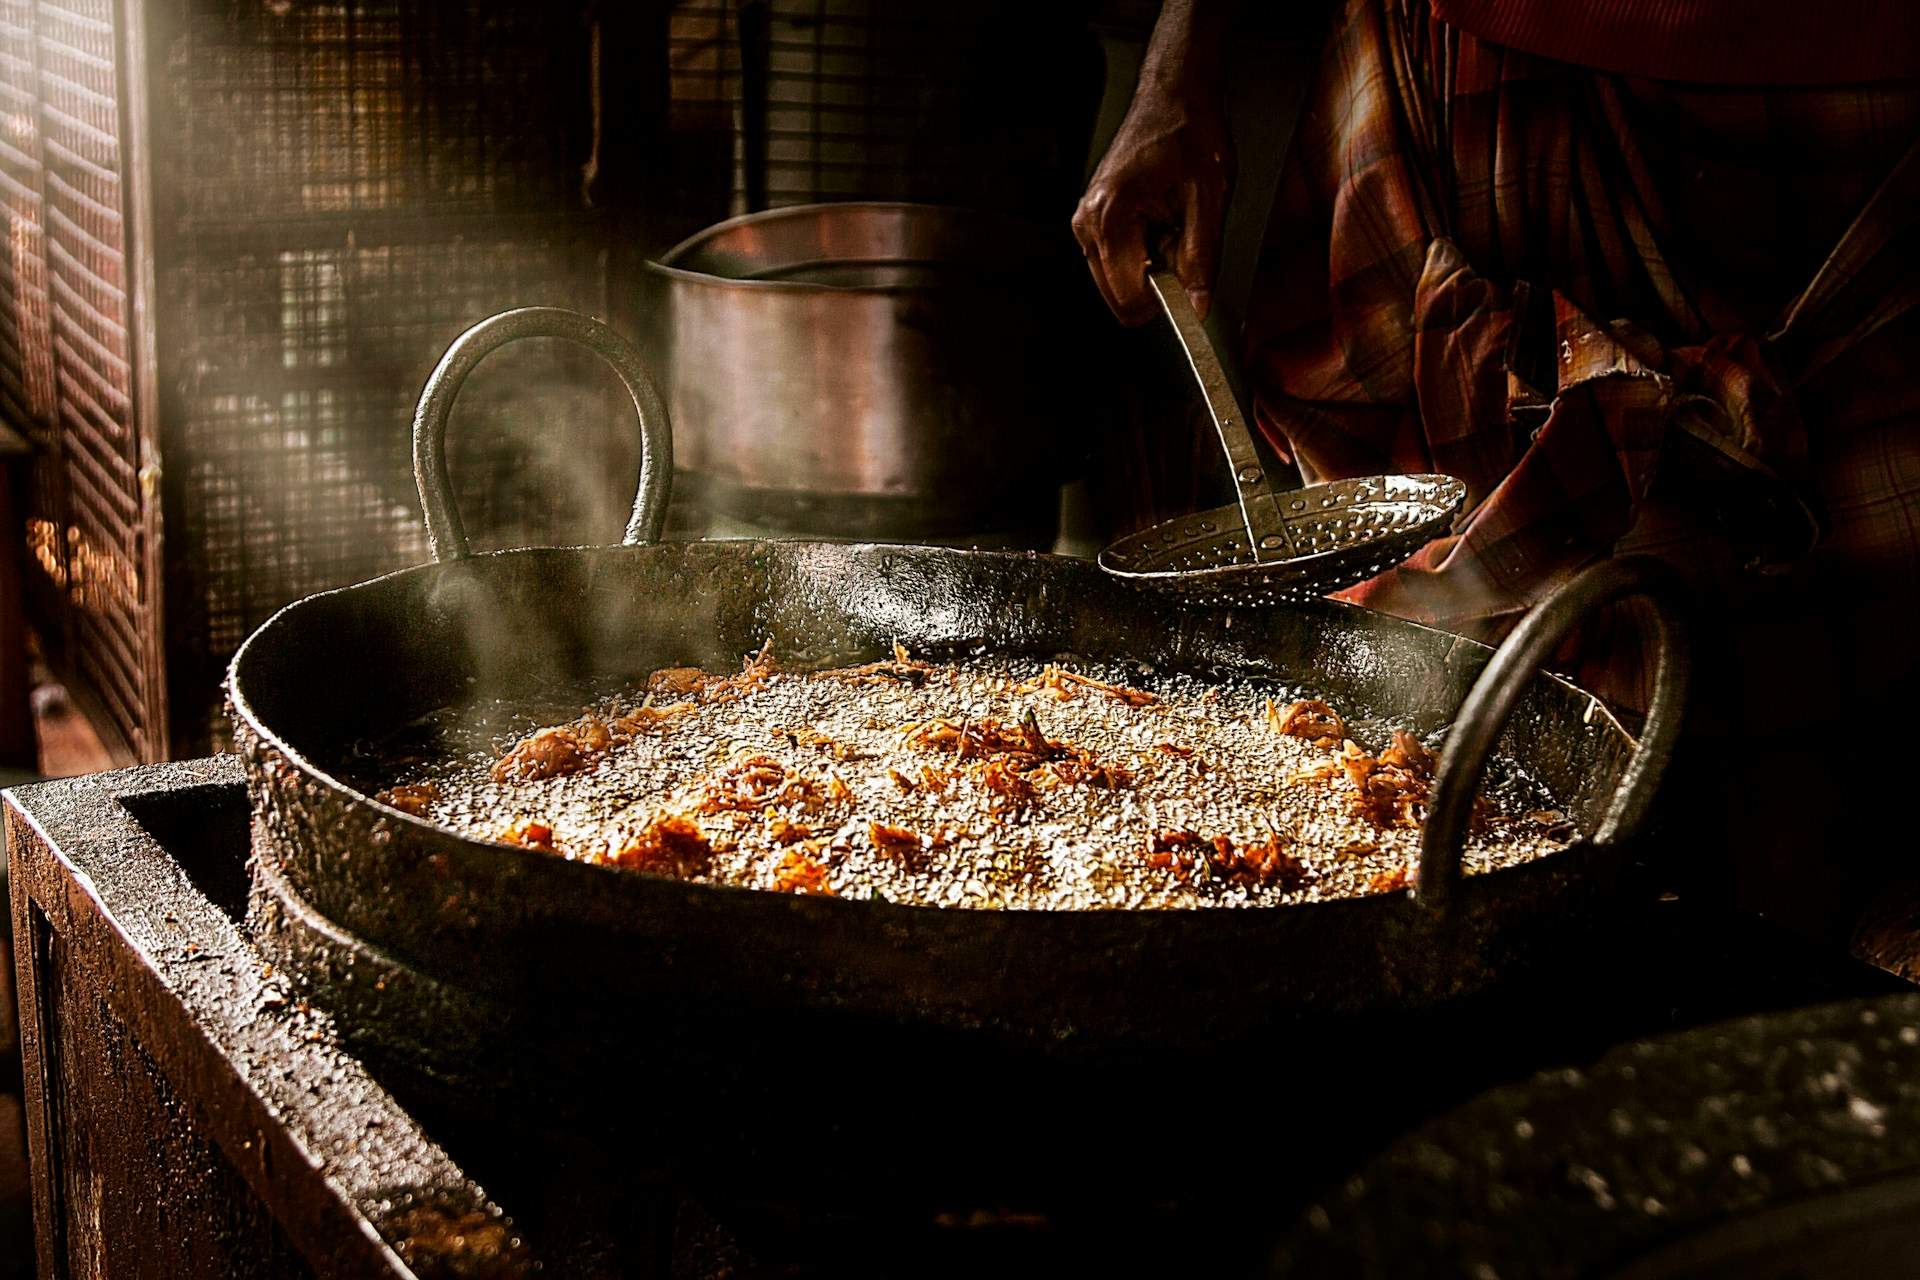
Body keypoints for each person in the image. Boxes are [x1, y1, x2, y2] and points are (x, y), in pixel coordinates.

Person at [1075, 0, 1920, 952]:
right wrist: (1177, 71)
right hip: (1487, 51)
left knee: (1834, 717)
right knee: (1463, 745)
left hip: (1857, 97)